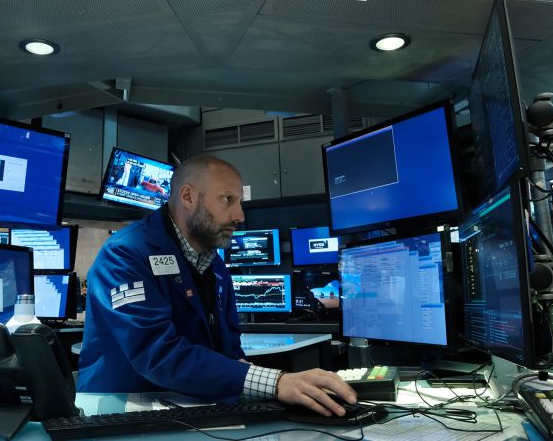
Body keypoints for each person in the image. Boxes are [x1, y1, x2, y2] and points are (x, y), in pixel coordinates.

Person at [77, 155, 356, 416]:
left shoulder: (214, 266)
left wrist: (279, 388)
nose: (240, 215)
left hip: (191, 407)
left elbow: (229, 352)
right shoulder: (126, 254)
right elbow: (157, 353)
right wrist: (275, 382)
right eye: (228, 200)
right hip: (120, 413)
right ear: (188, 196)